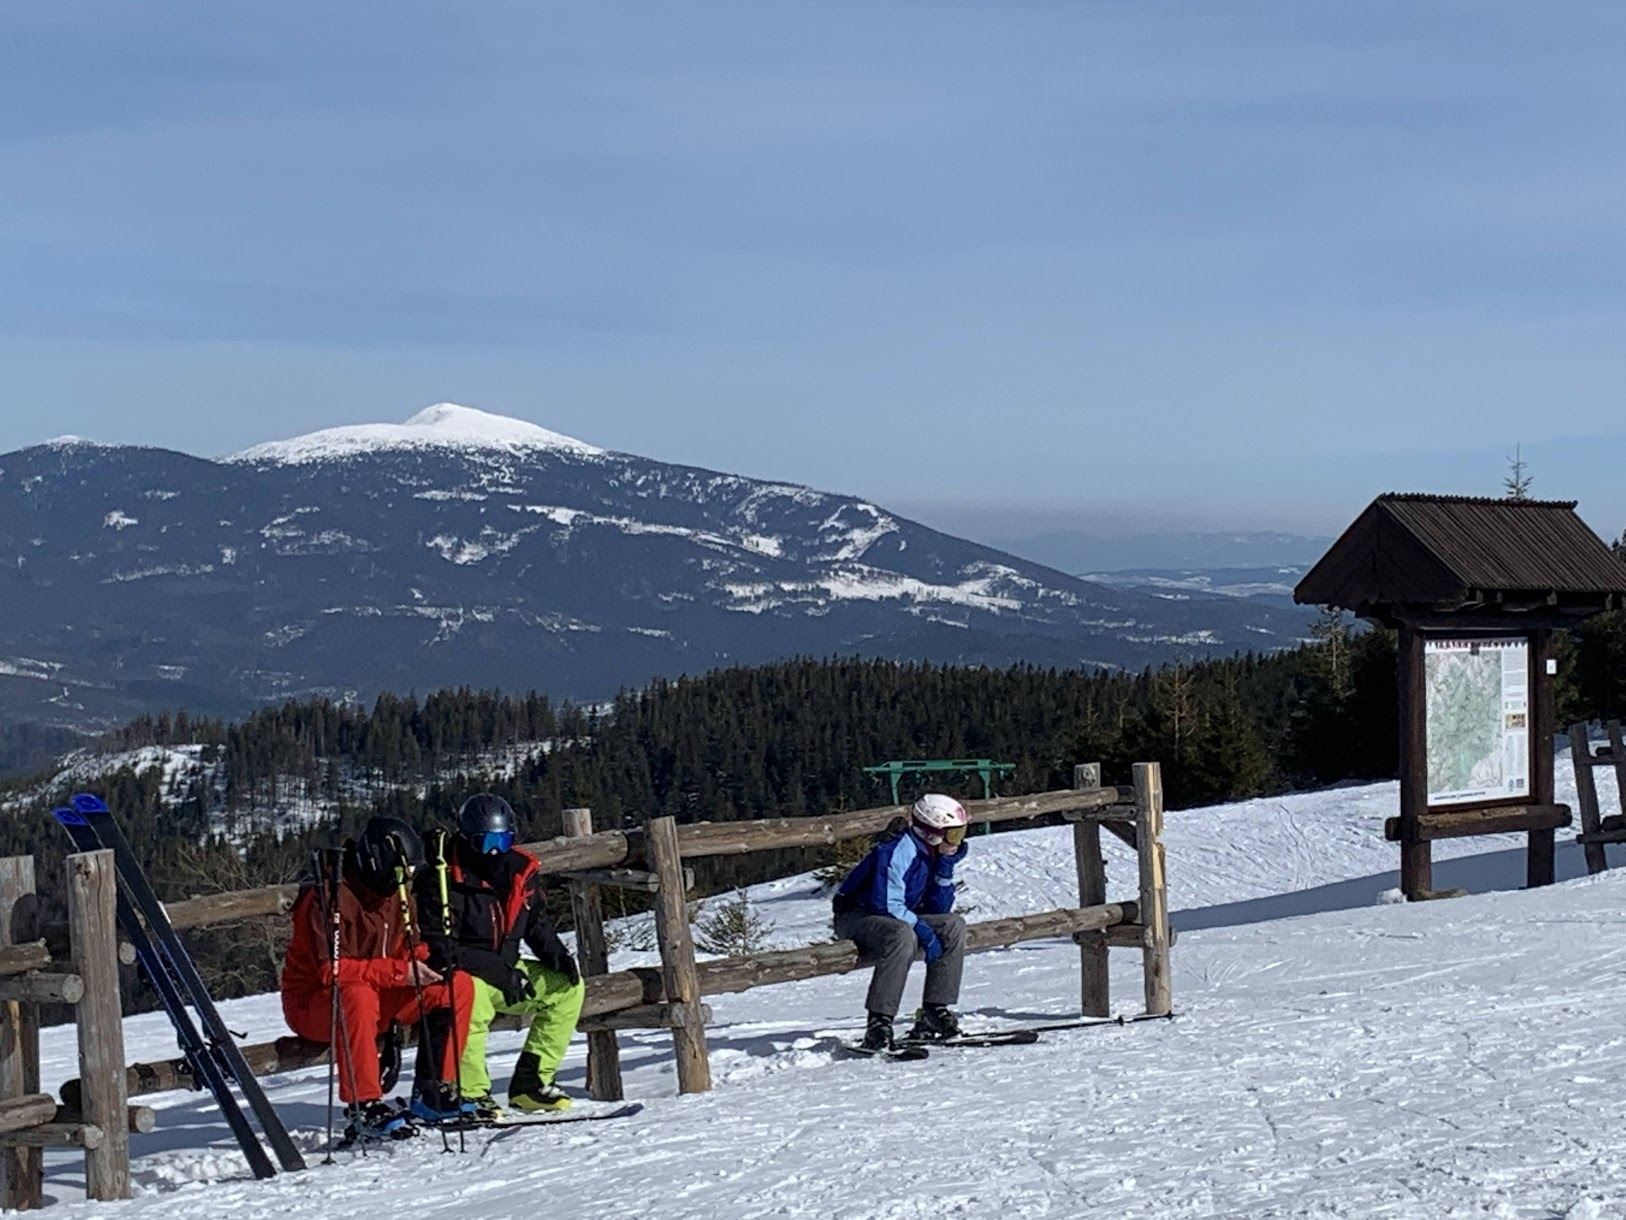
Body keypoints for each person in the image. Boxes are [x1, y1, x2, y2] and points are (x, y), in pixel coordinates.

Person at [281, 816, 474, 1141]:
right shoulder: (329, 897)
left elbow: (410, 946)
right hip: (315, 1006)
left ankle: (434, 1090)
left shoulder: (397, 896)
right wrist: (400, 972)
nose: (401, 882)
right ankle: (364, 1105)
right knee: (356, 993)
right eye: (397, 874)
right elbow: (332, 971)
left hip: (379, 995)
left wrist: (433, 961)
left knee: (457, 986)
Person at [417, 793, 586, 1116]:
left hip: (505, 970)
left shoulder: (519, 870)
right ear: (466, 839)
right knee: (470, 1002)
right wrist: (500, 972)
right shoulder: (441, 880)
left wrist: (557, 955)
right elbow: (441, 948)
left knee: (568, 991)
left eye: (503, 839)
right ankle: (472, 1092)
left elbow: (534, 919)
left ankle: (531, 1083)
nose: (494, 850)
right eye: (485, 842)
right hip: (462, 972)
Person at [832, 793, 971, 1052]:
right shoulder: (897, 850)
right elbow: (886, 904)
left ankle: (934, 1010)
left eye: (960, 834)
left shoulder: (932, 853)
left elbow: (937, 909)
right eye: (952, 834)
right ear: (932, 830)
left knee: (953, 926)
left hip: (896, 913)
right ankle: (879, 1023)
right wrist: (924, 932)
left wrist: (944, 868)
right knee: (901, 934)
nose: (957, 842)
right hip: (857, 916)